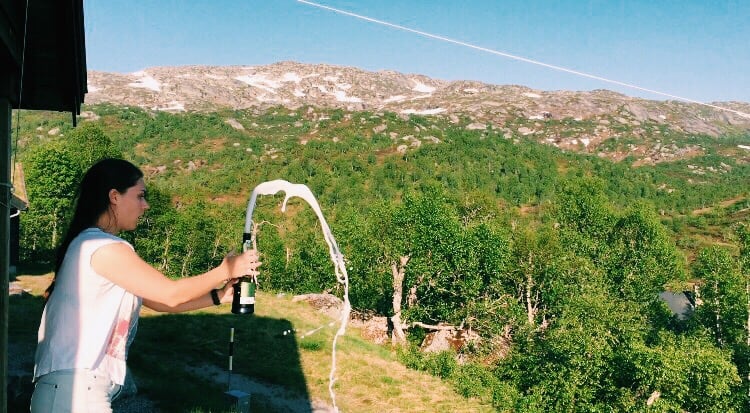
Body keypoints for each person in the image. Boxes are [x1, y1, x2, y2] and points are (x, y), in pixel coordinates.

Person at [30, 158, 261, 413]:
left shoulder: (91, 245)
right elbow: (170, 293)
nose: (145, 205)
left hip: (70, 392)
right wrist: (225, 269)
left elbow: (160, 302)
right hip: (75, 394)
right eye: (140, 196)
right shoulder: (103, 248)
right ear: (114, 196)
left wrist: (219, 296)